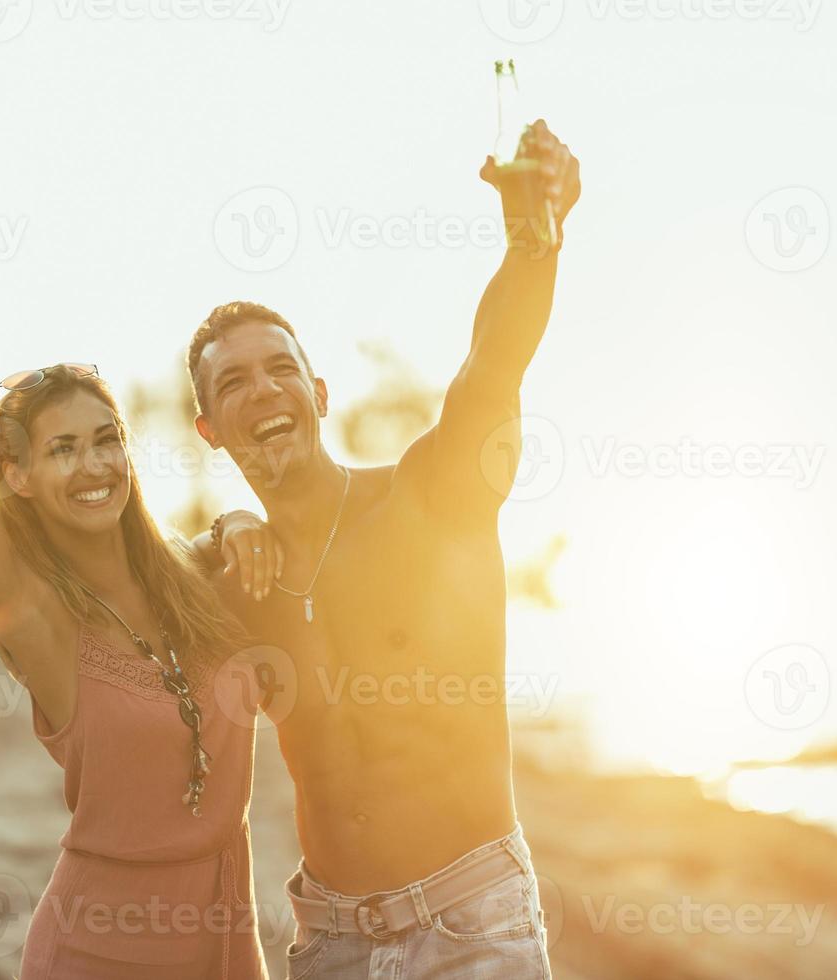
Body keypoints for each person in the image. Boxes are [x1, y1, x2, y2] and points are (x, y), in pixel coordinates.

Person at [0, 192, 283, 979]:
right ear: (19, 476)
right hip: (98, 950)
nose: (95, 465)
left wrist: (240, 518)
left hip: (224, 933)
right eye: (63, 449)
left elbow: (234, 548)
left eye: (107, 442)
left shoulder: (193, 579)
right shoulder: (37, 618)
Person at [186, 120, 580, 978]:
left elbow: (494, 364)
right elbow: (105, 577)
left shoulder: (429, 500)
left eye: (281, 369)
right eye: (235, 382)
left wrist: (533, 241)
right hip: (329, 940)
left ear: (319, 392)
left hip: (473, 920)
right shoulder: (232, 581)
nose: (264, 390)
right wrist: (225, 527)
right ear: (211, 430)